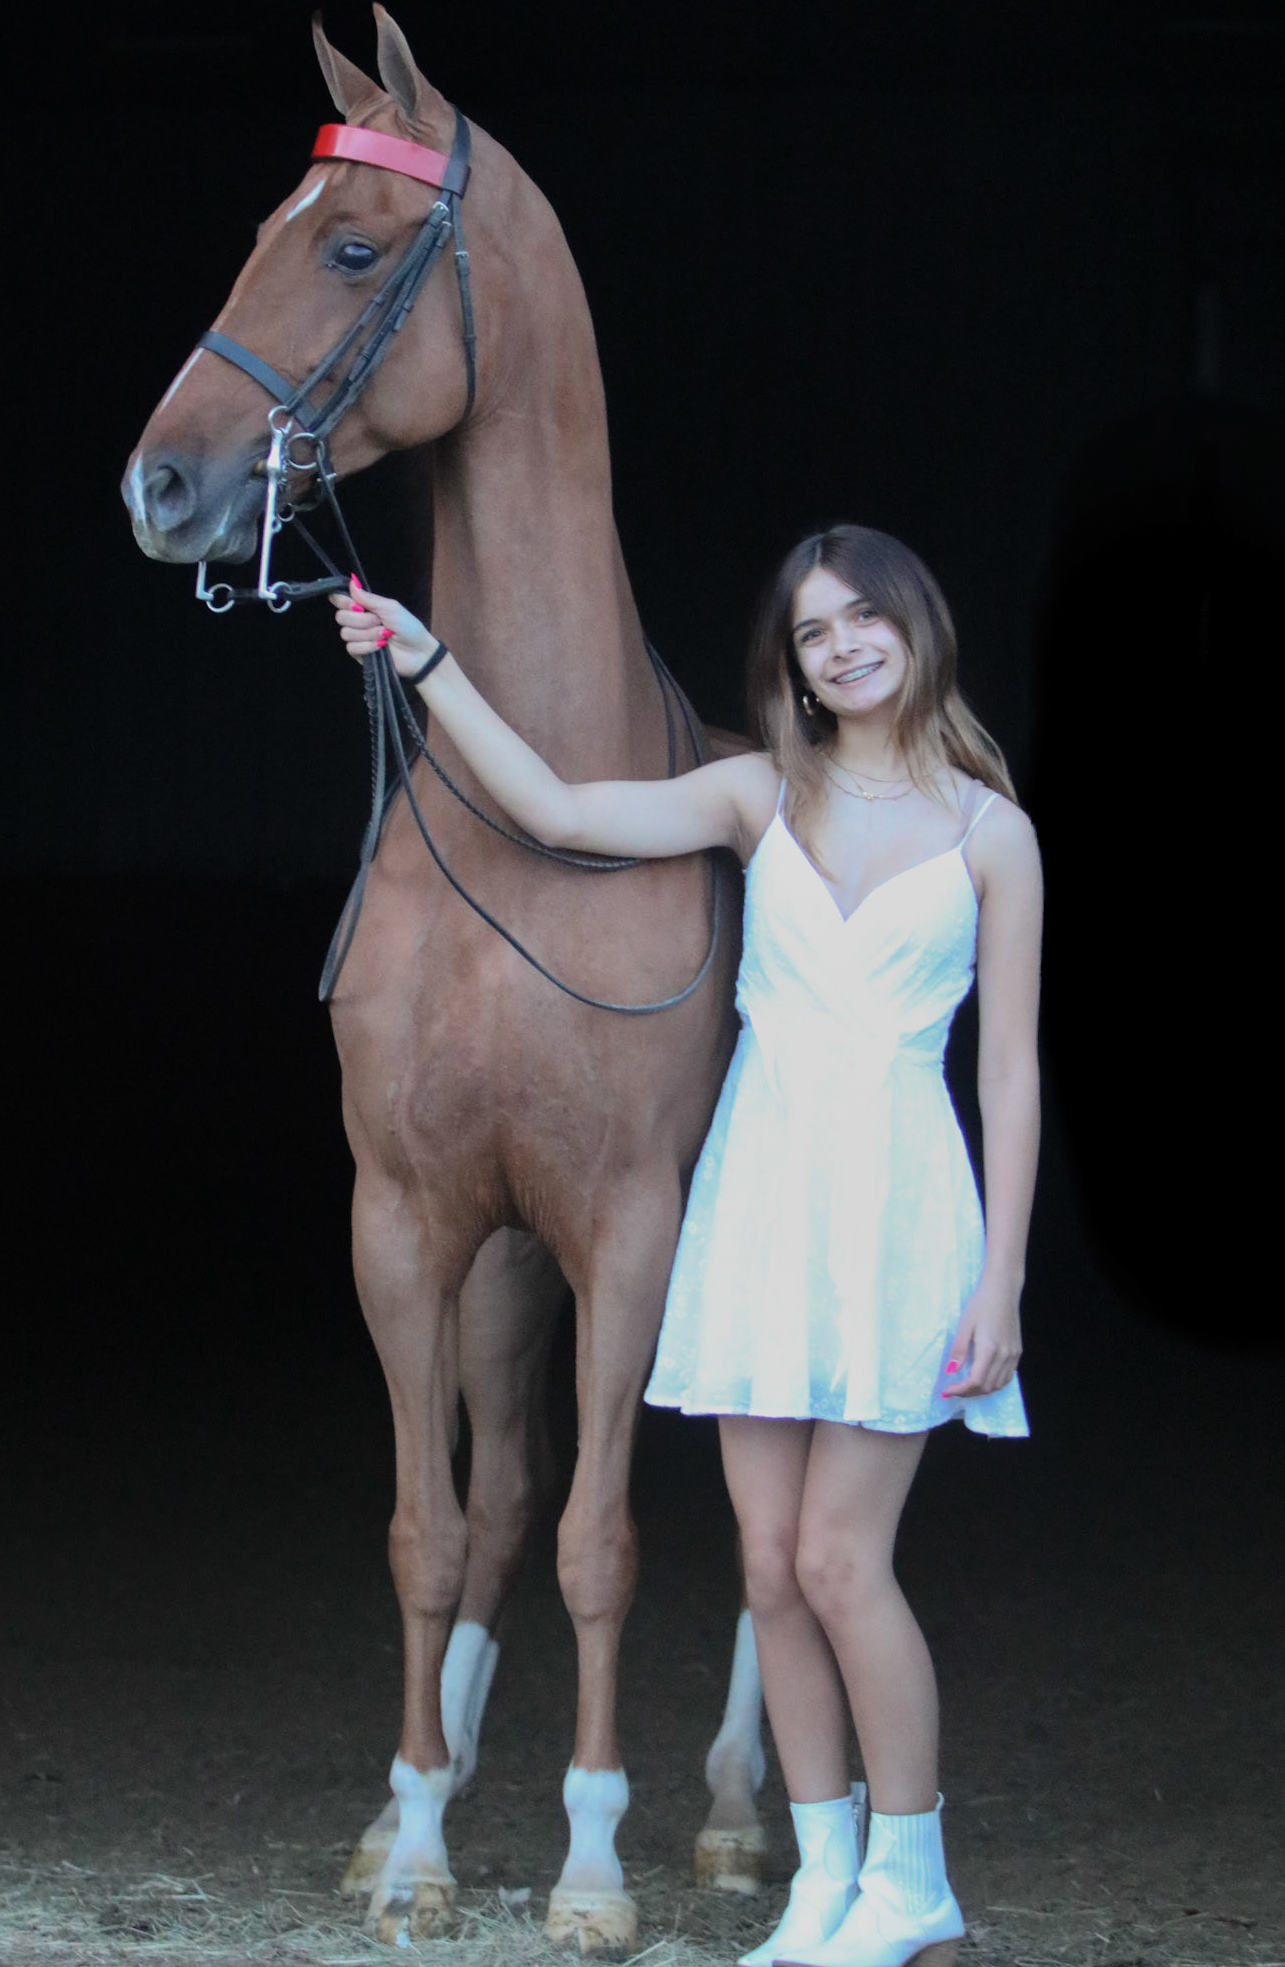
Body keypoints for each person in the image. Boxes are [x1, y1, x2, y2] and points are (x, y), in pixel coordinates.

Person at [333, 524, 1042, 1967]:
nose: (843, 647)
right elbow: (556, 805)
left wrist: (1006, 1278)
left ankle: (914, 1883)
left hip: (900, 1210)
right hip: (763, 1203)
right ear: (794, 666)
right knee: (768, 1565)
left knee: (842, 1561)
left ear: (918, 627)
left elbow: (1014, 1072)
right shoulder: (755, 794)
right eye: (814, 632)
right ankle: (823, 1884)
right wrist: (426, 659)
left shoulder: (992, 834)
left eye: (864, 619)